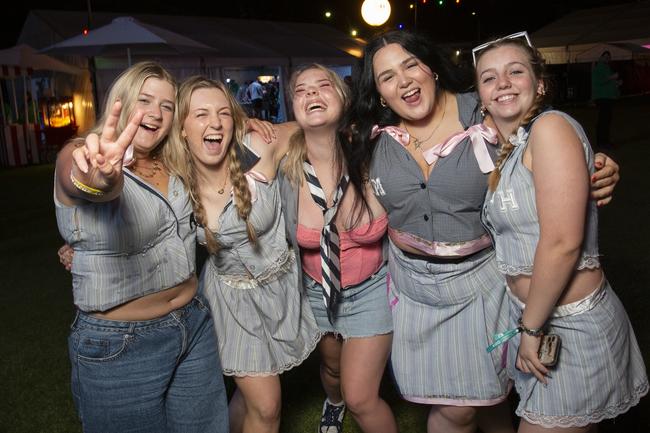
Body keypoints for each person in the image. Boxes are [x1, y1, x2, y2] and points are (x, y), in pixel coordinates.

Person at [346, 30, 620, 433]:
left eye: (410, 65)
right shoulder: (371, 136)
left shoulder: (485, 111)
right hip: (412, 289)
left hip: (479, 285)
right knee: (481, 401)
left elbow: (544, 146)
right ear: (379, 92)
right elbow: (307, 132)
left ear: (433, 69)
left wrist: (596, 164)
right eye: (386, 77)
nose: (402, 81)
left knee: (463, 406)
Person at [474, 33, 648, 432]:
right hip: (535, 320)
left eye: (515, 71)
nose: (502, 83)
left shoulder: (549, 128)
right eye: (489, 78)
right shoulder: (507, 147)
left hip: (570, 325)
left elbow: (563, 243)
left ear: (540, 84)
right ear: (480, 97)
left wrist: (532, 328)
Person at [53, 62, 228, 433]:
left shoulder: (176, 160)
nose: (156, 113)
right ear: (122, 100)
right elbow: (86, 182)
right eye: (145, 100)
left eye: (167, 105)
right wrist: (97, 180)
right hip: (120, 345)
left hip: (193, 325)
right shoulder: (85, 154)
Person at [166, 76, 320, 433]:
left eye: (223, 113)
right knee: (266, 407)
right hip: (233, 303)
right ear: (183, 128)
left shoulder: (251, 147)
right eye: (201, 114)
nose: (214, 123)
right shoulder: (176, 179)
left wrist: (250, 123)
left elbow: (315, 123)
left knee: (249, 401)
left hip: (282, 289)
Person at [278, 64, 397, 433]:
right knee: (332, 370)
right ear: (293, 108)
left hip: (372, 289)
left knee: (362, 396)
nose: (312, 94)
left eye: (323, 86)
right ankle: (333, 403)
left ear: (343, 97)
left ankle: (349, 402)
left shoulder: (376, 152)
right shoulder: (282, 165)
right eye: (301, 89)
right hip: (317, 292)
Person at [591, 50, 621, 149]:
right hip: (602, 97)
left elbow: (609, 82)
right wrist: (612, 78)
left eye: (609, 57)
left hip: (608, 97)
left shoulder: (607, 68)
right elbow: (599, 82)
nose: (607, 58)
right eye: (605, 56)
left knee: (606, 120)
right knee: (603, 120)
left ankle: (605, 141)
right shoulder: (598, 68)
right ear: (601, 57)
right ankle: (602, 142)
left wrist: (617, 83)